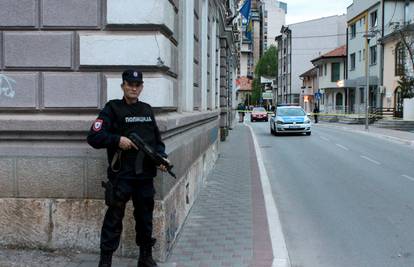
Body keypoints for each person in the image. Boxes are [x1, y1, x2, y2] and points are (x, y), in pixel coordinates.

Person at [87, 69, 169, 267]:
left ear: (141, 87)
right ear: (123, 85)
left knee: (145, 218)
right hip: (121, 176)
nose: (133, 88)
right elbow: (94, 137)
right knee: (114, 219)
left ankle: (145, 256)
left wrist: (162, 158)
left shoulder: (147, 110)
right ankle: (105, 260)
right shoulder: (112, 109)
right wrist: (117, 140)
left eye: (137, 85)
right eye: (130, 84)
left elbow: (157, 141)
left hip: (144, 177)